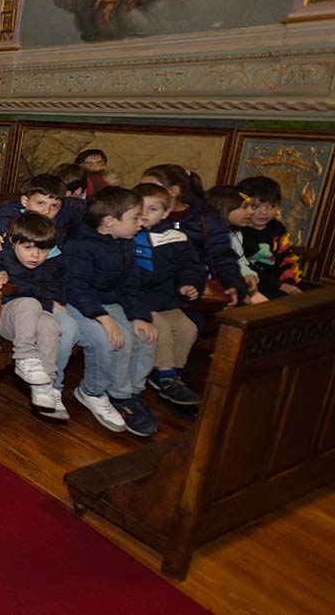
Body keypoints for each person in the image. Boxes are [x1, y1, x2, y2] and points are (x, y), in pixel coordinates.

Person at [62, 186, 159, 437]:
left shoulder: (123, 242)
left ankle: (132, 392)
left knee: (146, 336)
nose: (142, 221)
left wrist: (139, 316)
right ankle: (101, 392)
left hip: (108, 302)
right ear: (109, 221)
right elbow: (75, 288)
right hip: (81, 304)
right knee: (118, 340)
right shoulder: (80, 244)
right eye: (135, 217)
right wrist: (104, 319)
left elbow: (130, 284)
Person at [0, 213, 78, 417]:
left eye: (42, 250)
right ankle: (25, 358)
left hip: (32, 318)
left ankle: (45, 384)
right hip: (2, 316)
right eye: (28, 248)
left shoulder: (51, 266)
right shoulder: (2, 253)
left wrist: (43, 299)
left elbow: (52, 292)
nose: (35, 255)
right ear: (12, 241)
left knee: (50, 324)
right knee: (29, 302)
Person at [133, 183, 205, 406]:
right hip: (139, 301)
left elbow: (190, 265)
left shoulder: (176, 237)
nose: (144, 214)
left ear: (165, 212)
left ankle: (170, 373)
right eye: (140, 208)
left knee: (188, 327)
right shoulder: (128, 234)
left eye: (153, 209)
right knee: (160, 327)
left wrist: (189, 284)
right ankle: (167, 378)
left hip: (166, 299)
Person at [140, 165, 247, 309]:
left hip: (192, 289)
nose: (143, 192)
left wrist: (233, 284)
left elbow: (220, 256)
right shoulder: (139, 216)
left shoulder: (206, 217)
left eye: (150, 187)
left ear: (173, 192)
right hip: (152, 292)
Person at [238, 175, 314, 298]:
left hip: (276, 281)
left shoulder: (277, 228)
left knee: (316, 295)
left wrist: (288, 283)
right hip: (250, 282)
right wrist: (279, 286)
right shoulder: (238, 230)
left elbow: (285, 258)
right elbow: (242, 265)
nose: (264, 212)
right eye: (255, 206)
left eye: (272, 206)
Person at [0, 175, 66, 254]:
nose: (47, 211)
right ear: (25, 201)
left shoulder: (56, 229)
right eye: (40, 203)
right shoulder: (5, 219)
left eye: (54, 206)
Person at [205, 185, 267, 304]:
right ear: (222, 207)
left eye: (252, 207)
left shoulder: (236, 233)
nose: (251, 212)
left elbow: (240, 260)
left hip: (234, 285)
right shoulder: (207, 235)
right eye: (245, 207)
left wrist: (248, 274)